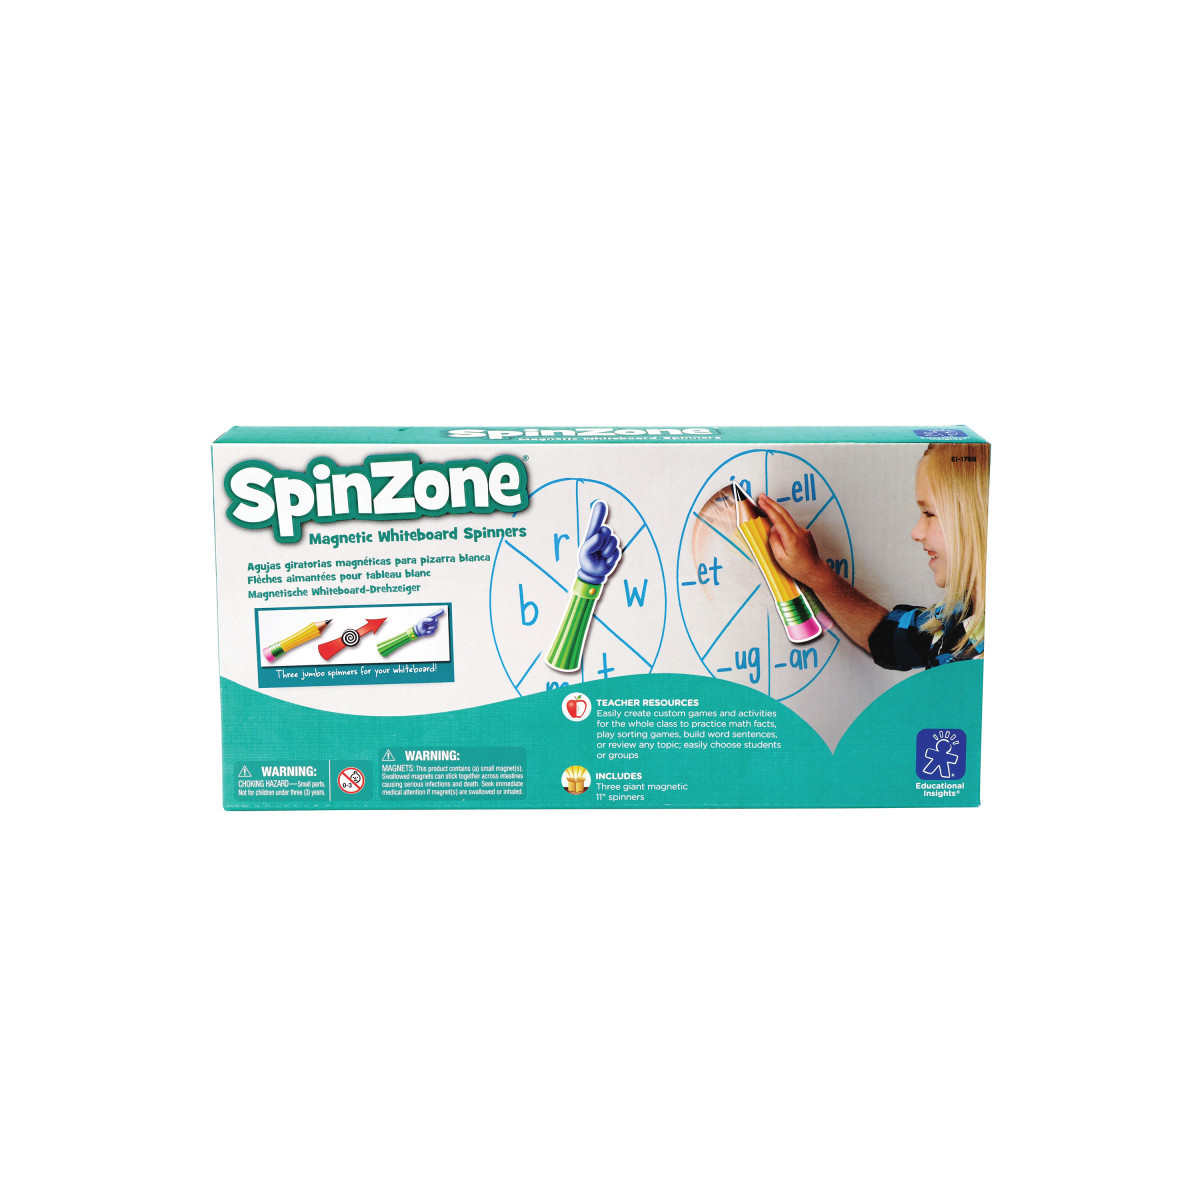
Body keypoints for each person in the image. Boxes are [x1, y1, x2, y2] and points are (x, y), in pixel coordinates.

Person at [759, 443, 988, 670]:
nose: (916, 533)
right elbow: (891, 640)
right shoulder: (961, 616)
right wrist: (815, 574)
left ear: (979, 517)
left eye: (929, 513)